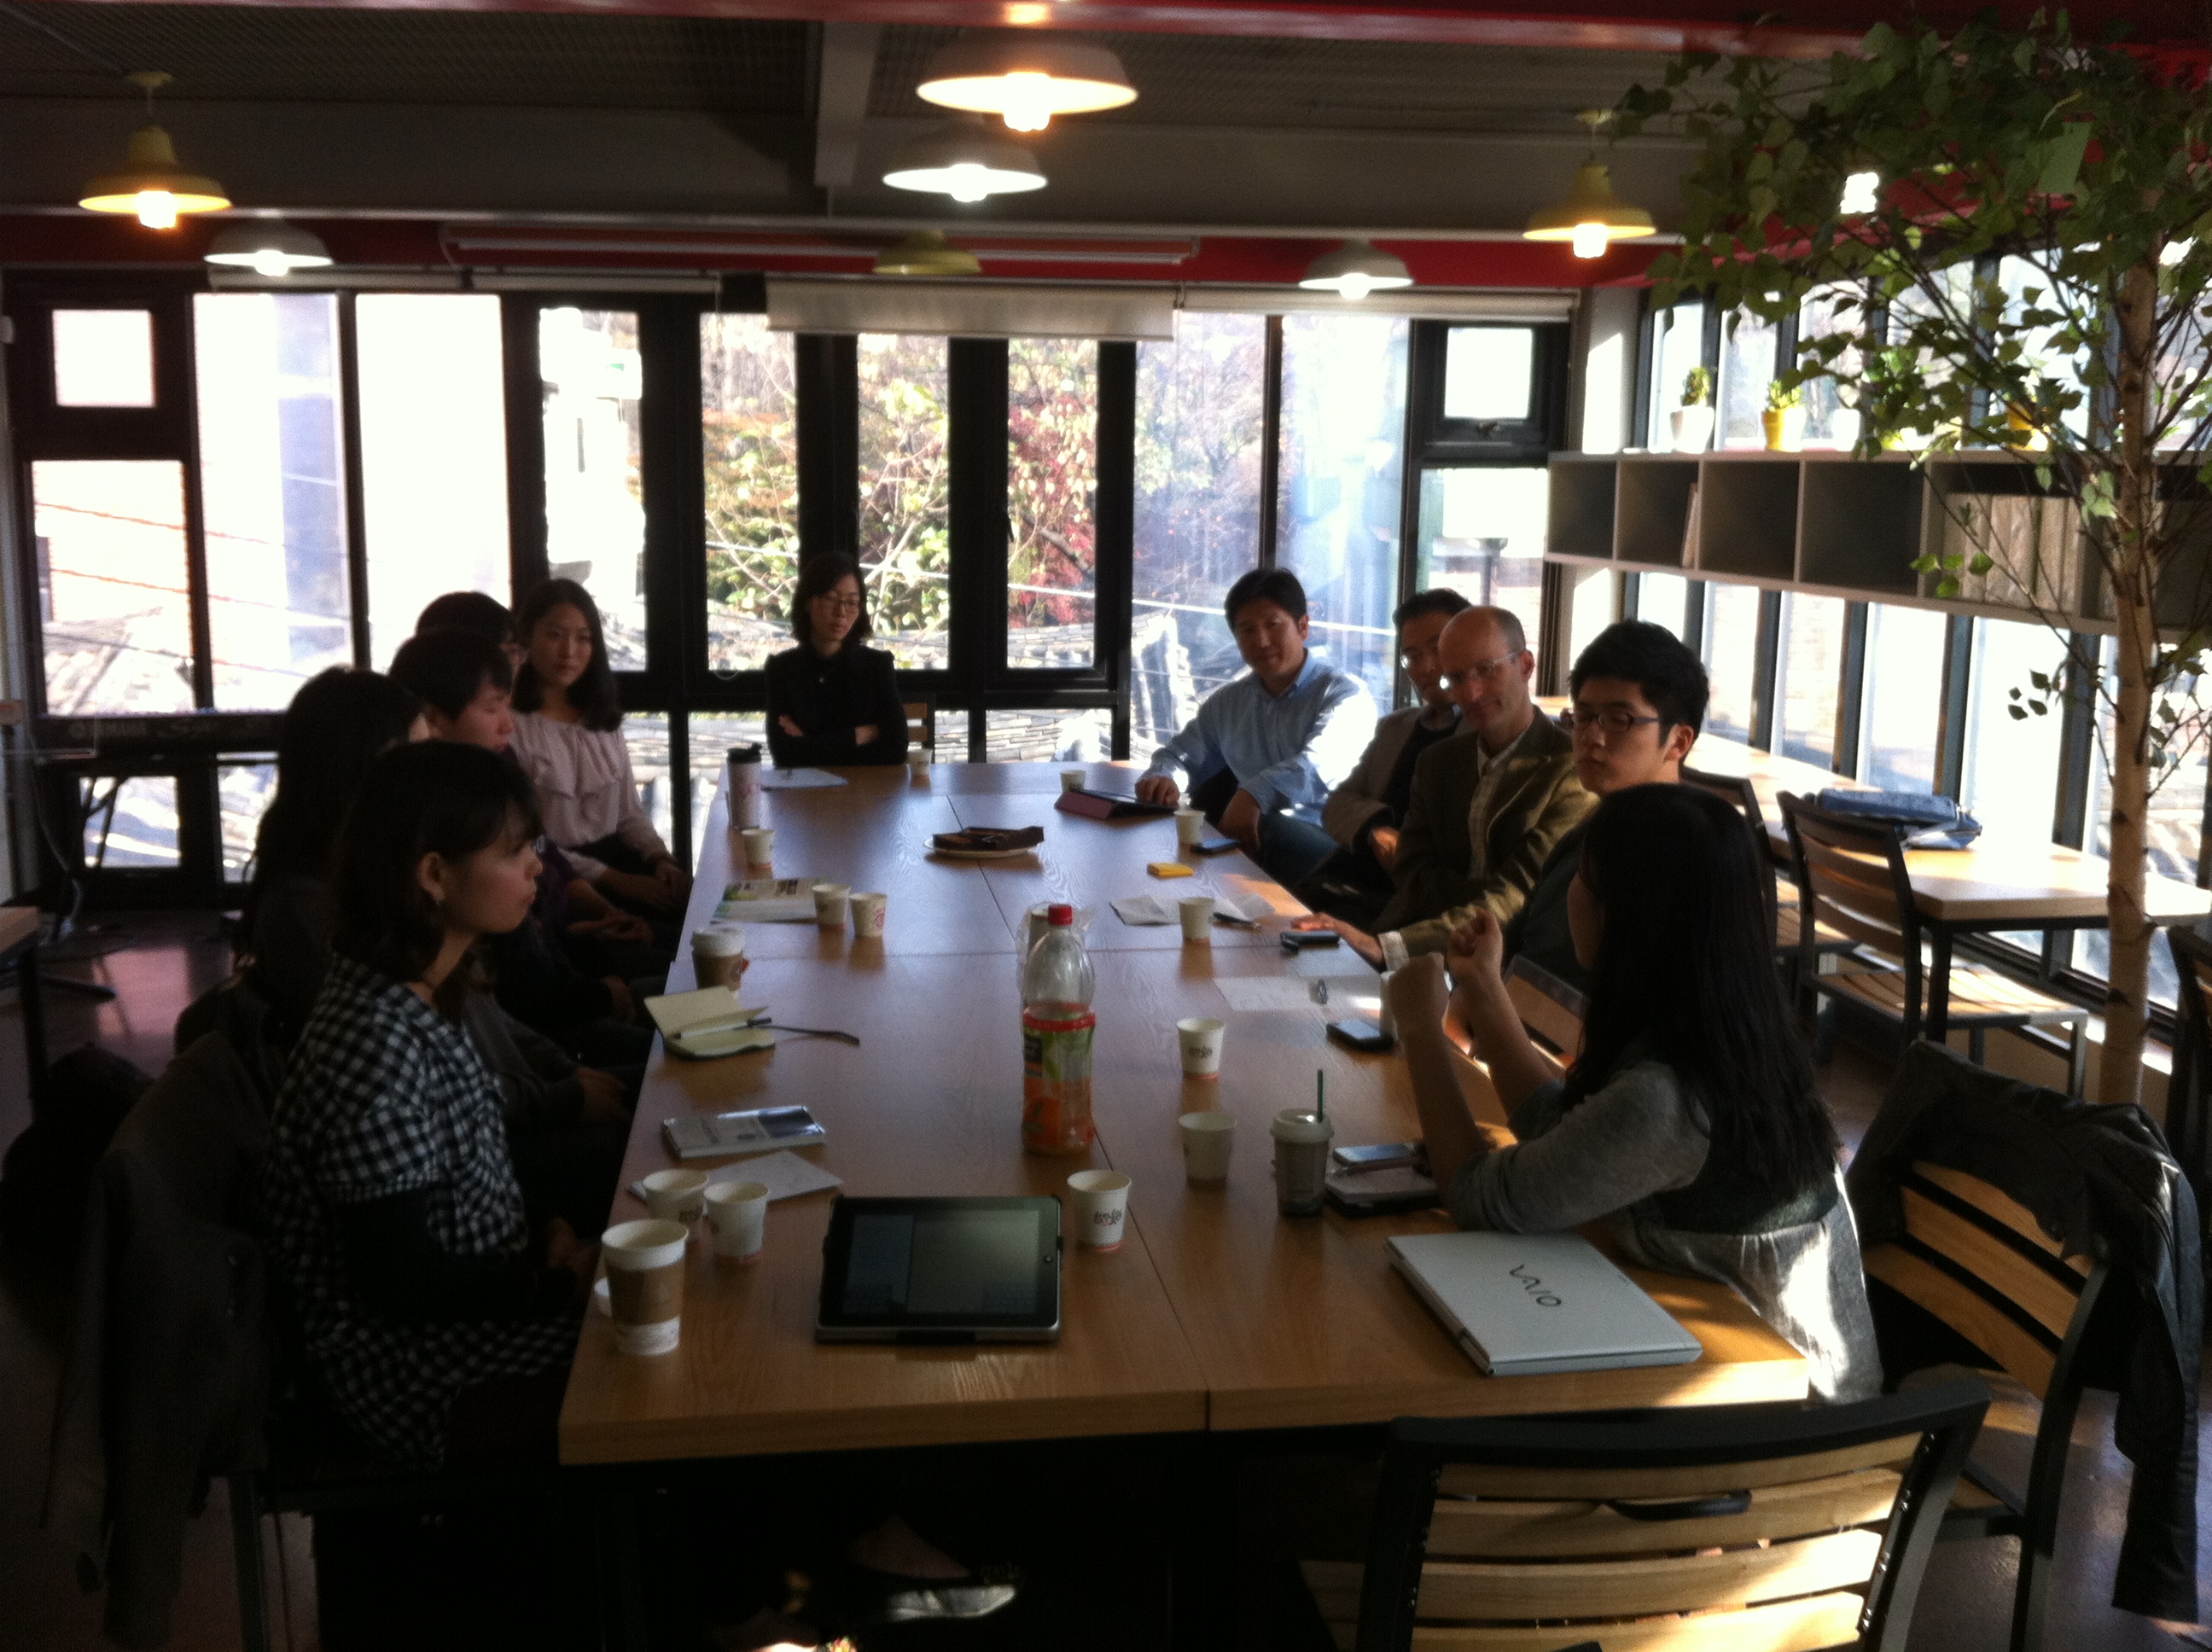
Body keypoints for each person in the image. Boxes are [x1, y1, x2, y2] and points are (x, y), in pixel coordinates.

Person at [1385, 782, 1880, 1405]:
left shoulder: (1667, 1098)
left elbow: (1479, 1197)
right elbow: (1566, 1135)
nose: (1571, 890)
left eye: (1584, 876)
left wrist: (1419, 1029)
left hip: (1790, 1418)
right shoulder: (1731, 1034)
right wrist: (1483, 987)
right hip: (1790, 1390)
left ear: (1625, 914)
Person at [259, 741, 594, 1466]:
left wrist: (544, 1231)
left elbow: (468, 1168)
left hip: (476, 1313)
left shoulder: (418, 989)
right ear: (435, 875)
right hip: (424, 1377)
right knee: (677, 1365)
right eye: (514, 852)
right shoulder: (374, 1044)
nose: (537, 867)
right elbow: (400, 1279)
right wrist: (550, 1284)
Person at [248, 663, 632, 1235]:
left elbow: (478, 1069)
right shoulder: (368, 987)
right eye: (414, 757)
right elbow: (407, 1254)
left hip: (499, 1155)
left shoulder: (428, 947)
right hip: (493, 1164)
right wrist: (560, 1099)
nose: (533, 865)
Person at [1295, 604, 1590, 968]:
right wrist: (1477, 893)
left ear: (1526, 665)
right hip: (1409, 939)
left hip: (1498, 964)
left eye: (1486, 670)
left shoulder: (1570, 770)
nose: (1472, 693)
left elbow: (1517, 895)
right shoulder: (1438, 761)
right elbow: (1411, 871)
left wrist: (1390, 948)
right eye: (1457, 679)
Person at [1496, 620, 1706, 995]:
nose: (1592, 737)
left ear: (1678, 741)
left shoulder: (1679, 858)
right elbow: (1519, 950)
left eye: (1618, 720)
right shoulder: (1593, 828)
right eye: (1583, 717)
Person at [1134, 568, 1377, 889]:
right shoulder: (1228, 702)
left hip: (1332, 842)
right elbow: (1179, 755)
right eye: (1247, 630)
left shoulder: (1346, 695)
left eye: (1273, 625)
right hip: (1259, 836)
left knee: (1264, 827)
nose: (1261, 641)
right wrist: (1164, 778)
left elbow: (1317, 767)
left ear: (1303, 627)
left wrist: (1253, 795)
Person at [508, 578, 692, 919]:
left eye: (584, 638)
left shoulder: (601, 719)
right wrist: (620, 882)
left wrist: (660, 859)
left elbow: (629, 813)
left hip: (620, 859)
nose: (569, 651)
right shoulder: (511, 727)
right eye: (555, 635)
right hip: (557, 875)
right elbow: (535, 842)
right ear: (527, 638)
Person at [1301, 588, 1470, 926]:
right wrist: (1375, 829)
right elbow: (1337, 804)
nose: (1426, 668)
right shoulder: (1397, 727)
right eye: (1412, 657)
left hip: (1407, 903)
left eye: (1437, 649)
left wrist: (1407, 854)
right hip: (1344, 878)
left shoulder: (1483, 736)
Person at [765, 554, 911, 770]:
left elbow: (896, 749)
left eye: (851, 602)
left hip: (865, 790)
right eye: (830, 599)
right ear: (808, 602)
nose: (841, 612)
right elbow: (785, 754)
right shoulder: (782, 669)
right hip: (805, 790)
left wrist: (810, 744)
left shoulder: (876, 665)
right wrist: (863, 734)